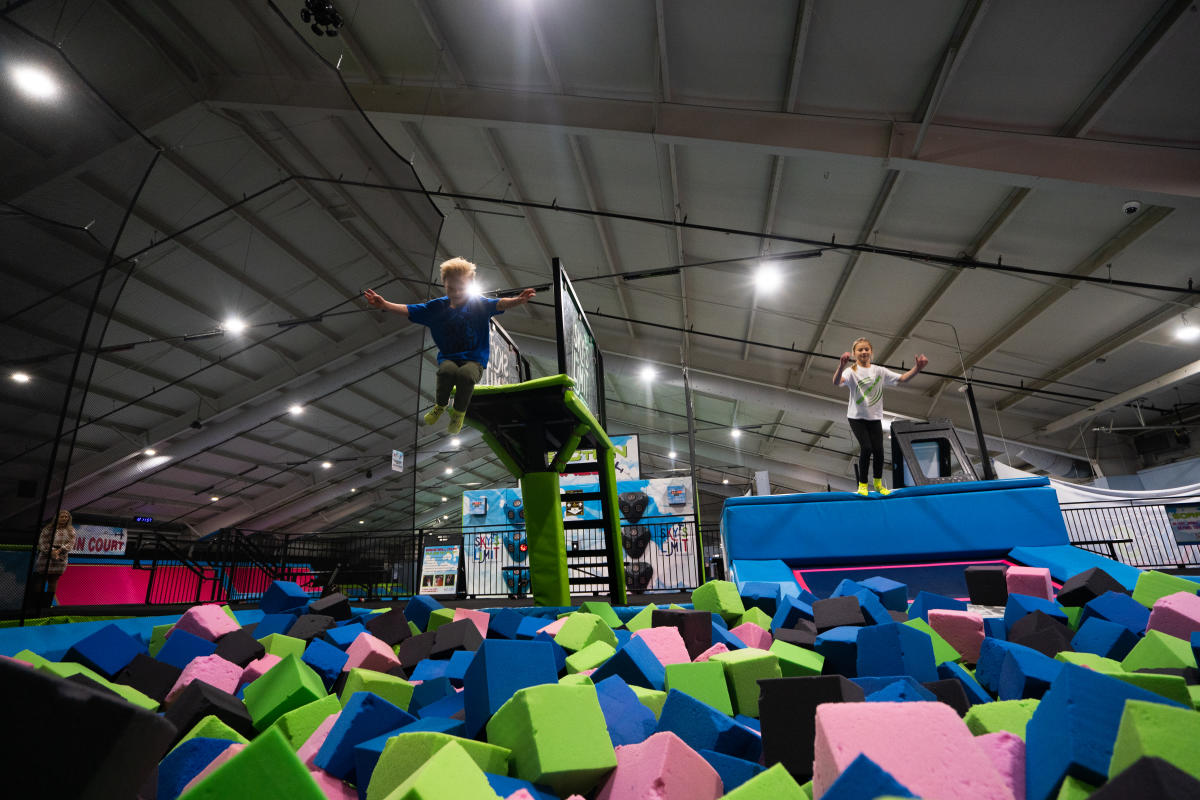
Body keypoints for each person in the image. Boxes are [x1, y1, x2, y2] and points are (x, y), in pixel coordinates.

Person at [364, 257, 535, 435]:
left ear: (469, 285)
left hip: (474, 360)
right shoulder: (436, 308)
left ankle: (459, 413)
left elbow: (499, 304)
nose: (456, 292)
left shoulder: (479, 304)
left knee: (465, 375)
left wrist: (517, 300)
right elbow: (410, 309)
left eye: (461, 288)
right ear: (445, 285)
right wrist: (385, 304)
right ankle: (441, 405)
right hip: (449, 358)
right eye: (451, 288)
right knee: (446, 371)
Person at [833, 337, 929, 496]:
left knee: (879, 451)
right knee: (867, 448)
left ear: (871, 352)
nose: (864, 352)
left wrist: (917, 368)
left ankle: (878, 484)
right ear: (854, 353)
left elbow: (902, 378)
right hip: (856, 417)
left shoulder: (879, 371)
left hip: (874, 417)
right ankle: (862, 484)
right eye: (860, 350)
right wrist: (841, 365)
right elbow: (837, 382)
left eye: (866, 349)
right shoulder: (852, 371)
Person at [35, 509, 75, 606]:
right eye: (62, 516)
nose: (64, 518)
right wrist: (51, 552)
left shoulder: (71, 531)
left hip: (60, 558)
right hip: (45, 557)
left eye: (66, 517)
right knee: (41, 579)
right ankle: (35, 603)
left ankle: (47, 604)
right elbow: (42, 542)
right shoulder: (47, 529)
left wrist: (60, 551)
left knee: (53, 580)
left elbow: (71, 544)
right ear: (57, 518)